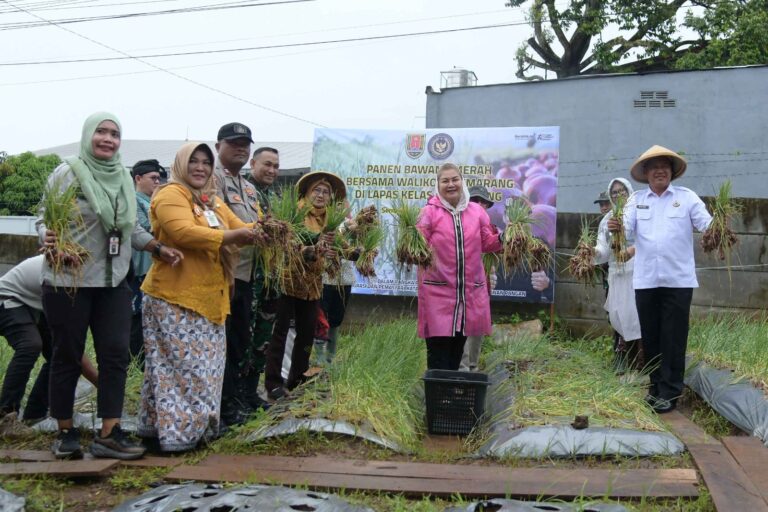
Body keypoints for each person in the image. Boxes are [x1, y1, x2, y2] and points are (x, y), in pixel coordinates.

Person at [36, 112, 182, 460]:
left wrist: (158, 248)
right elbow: (44, 217)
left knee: (116, 354)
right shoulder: (68, 171)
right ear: (88, 135)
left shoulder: (121, 176)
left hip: (114, 280)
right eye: (101, 132)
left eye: (114, 133)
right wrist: (48, 236)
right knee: (67, 354)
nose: (107, 139)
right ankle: (66, 431)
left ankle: (109, 432)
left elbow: (128, 229)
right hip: (68, 280)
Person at [138, 142, 258, 452]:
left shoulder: (213, 202)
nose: (201, 167)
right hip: (173, 298)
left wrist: (265, 230)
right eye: (194, 161)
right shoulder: (169, 195)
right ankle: (181, 436)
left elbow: (241, 227)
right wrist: (234, 236)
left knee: (203, 369)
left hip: (209, 298)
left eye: (206, 162)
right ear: (181, 164)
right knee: (183, 370)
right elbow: (183, 233)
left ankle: (160, 429)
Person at [608, 145, 712, 413]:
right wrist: (616, 227)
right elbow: (627, 229)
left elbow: (708, 225)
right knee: (651, 337)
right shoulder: (637, 200)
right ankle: (654, 388)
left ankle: (670, 391)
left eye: (664, 166)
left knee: (674, 337)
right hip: (646, 281)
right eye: (653, 167)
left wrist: (720, 228)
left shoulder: (687, 198)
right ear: (645, 173)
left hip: (678, 281)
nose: (659, 171)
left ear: (672, 172)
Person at [263, 171, 343, 399]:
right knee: (280, 333)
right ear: (307, 193)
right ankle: (273, 382)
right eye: (316, 190)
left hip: (312, 284)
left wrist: (354, 252)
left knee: (307, 333)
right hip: (288, 279)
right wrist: (309, 249)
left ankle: (297, 376)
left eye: (325, 192)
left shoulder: (329, 220)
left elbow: (340, 245)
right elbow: (288, 242)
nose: (320, 195)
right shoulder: (295, 214)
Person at [417, 164, 503, 371]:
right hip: (438, 291)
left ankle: (451, 395)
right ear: (437, 185)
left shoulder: (476, 212)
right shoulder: (428, 213)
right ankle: (437, 397)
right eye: (445, 180)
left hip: (467, 294)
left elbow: (487, 242)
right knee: (438, 352)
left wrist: (504, 237)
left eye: (455, 179)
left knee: (457, 349)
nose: (451, 184)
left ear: (462, 181)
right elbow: (416, 247)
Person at [0, 256, 98, 434]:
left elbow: (70, 348)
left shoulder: (87, 277)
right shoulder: (65, 271)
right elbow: (73, 347)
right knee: (30, 345)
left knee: (63, 355)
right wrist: (102, 383)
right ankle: (6, 415)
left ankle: (35, 413)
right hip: (8, 298)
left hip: (37, 305)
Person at [212, 123, 267, 426]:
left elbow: (255, 223)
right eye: (234, 143)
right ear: (218, 145)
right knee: (224, 341)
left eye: (245, 144)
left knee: (238, 341)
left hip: (247, 275)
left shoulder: (246, 186)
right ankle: (222, 406)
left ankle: (232, 401)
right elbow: (216, 223)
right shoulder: (212, 178)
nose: (241, 149)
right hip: (223, 274)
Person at [244, 147, 281, 410]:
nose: (271, 170)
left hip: (271, 277)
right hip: (249, 276)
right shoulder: (244, 192)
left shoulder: (275, 197)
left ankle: (249, 392)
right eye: (267, 164)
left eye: (276, 166)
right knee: (244, 335)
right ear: (253, 162)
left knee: (263, 337)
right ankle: (235, 394)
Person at [594, 178, 643, 373]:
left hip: (637, 273)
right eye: (614, 192)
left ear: (629, 191)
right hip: (616, 275)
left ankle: (643, 363)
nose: (617, 195)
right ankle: (625, 361)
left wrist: (631, 251)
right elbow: (604, 249)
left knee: (638, 317)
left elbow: (649, 240)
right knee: (618, 317)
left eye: (621, 190)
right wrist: (592, 253)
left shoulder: (639, 211)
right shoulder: (607, 220)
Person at [129, 159, 166, 364]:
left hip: (154, 270)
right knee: (136, 316)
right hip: (138, 270)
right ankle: (134, 361)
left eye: (159, 178)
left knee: (151, 318)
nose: (157, 182)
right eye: (153, 178)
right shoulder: (134, 200)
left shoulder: (154, 201)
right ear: (138, 178)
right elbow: (145, 228)